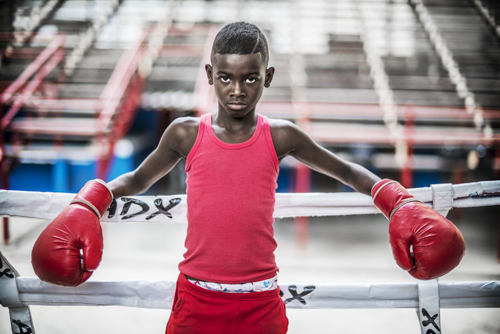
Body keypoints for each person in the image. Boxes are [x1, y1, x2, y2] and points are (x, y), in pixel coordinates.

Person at [31, 22, 466, 334]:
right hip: (196, 300)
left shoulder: (281, 135)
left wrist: (397, 199)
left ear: (267, 78)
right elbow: (139, 178)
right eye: (225, 77)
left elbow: (347, 170)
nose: (237, 90)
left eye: (249, 78)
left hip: (262, 302)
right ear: (209, 76)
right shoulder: (186, 132)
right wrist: (89, 200)